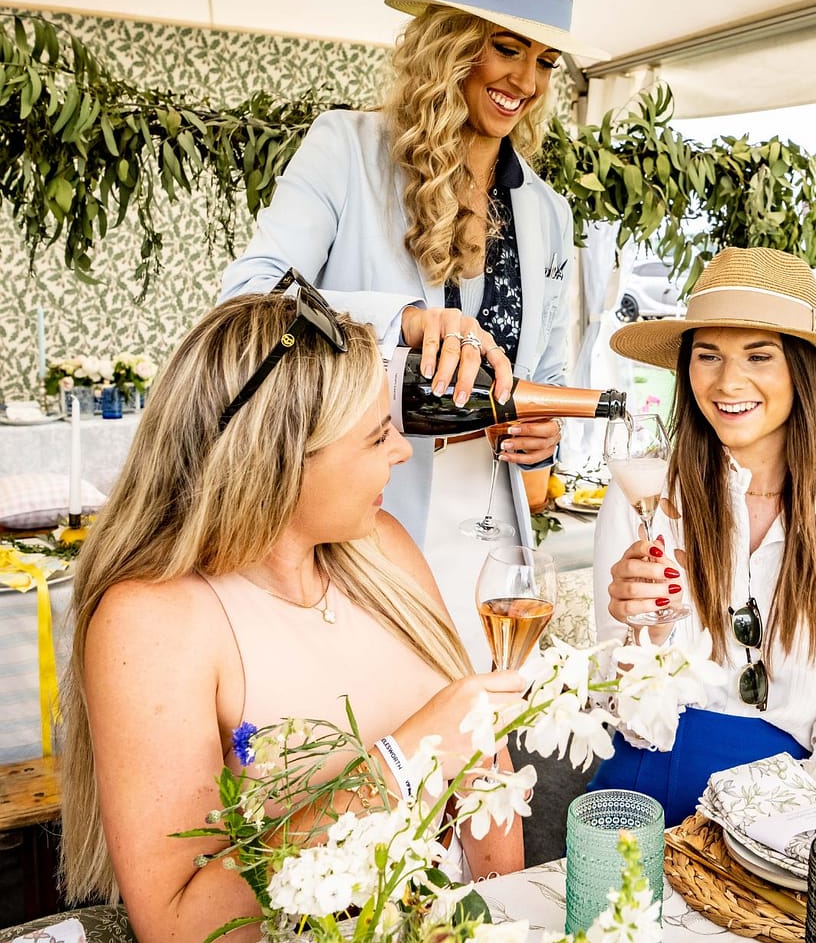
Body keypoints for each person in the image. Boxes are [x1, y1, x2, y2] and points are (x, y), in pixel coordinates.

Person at [59, 284, 527, 943]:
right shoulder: (155, 620)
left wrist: (495, 918)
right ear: (279, 462)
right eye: (376, 436)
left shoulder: (381, 546)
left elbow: (484, 767)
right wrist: (406, 758)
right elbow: (181, 924)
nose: (401, 451)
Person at [219, 0, 606, 646]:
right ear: (451, 43)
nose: (525, 80)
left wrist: (542, 433)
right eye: (506, 47)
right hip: (352, 524)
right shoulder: (345, 150)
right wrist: (402, 321)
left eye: (546, 59)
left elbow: (545, 371)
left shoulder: (548, 212)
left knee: (471, 739)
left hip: (493, 558)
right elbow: (247, 299)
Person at [587, 247, 816, 825]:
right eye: (707, 356)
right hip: (645, 781)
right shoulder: (645, 493)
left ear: (801, 373)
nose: (728, 381)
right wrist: (648, 632)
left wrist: (790, 817)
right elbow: (619, 701)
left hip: (793, 800)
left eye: (759, 356)